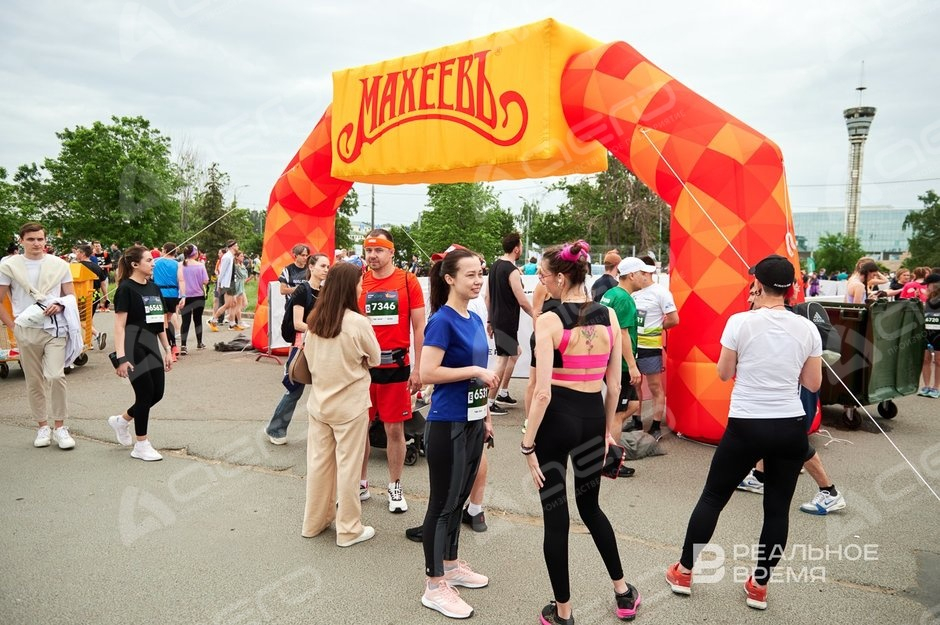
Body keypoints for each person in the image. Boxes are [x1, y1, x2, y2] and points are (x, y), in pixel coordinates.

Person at [666, 254, 822, 610]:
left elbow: (724, 373)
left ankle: (684, 572)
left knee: (713, 497)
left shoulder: (740, 322)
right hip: (790, 424)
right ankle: (759, 586)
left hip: (747, 422)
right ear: (790, 288)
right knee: (777, 510)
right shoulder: (807, 328)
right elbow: (812, 383)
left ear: (758, 285)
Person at [523, 240, 641, 625]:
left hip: (555, 420)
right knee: (591, 508)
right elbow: (615, 385)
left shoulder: (548, 320)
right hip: (591, 418)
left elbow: (541, 392)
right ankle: (623, 593)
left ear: (560, 277)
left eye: (544, 276)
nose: (541, 282)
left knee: (555, 516)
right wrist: (606, 431)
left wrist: (527, 444)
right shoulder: (609, 315)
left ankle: (564, 613)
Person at [418, 247, 497, 619]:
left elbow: (479, 378)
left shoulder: (474, 317)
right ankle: (434, 586)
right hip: (447, 421)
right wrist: (474, 371)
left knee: (460, 498)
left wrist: (486, 417)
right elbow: (428, 372)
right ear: (449, 278)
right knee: (442, 503)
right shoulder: (441, 320)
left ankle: (450, 565)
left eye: (480, 273)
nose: (478, 280)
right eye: (470, 274)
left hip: (473, 421)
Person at [736, 283, 847, 515]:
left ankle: (829, 492)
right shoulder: (780, 319)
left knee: (794, 441)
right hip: (790, 388)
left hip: (795, 389)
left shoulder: (784, 319)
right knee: (771, 432)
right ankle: (760, 477)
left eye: (753, 292)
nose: (750, 297)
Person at [300, 262, 380, 547]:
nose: (361, 288)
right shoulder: (357, 323)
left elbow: (309, 360)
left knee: (319, 465)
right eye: (359, 283)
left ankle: (314, 522)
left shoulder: (315, 319)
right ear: (349, 287)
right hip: (350, 406)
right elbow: (375, 358)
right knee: (349, 468)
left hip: (319, 403)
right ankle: (348, 529)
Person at [358, 229, 425, 512]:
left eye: (379, 250)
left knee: (394, 430)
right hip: (363, 368)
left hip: (396, 367)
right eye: (368, 250)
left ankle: (395, 486)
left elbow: (419, 327)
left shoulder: (408, 281)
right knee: (359, 428)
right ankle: (360, 483)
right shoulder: (359, 281)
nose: (372, 255)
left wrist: (419, 368)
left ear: (391, 252)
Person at [0, 222, 79, 449]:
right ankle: (42, 426)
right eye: (31, 239)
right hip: (26, 329)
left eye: (40, 239)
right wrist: (14, 327)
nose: (36, 243)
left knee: (56, 376)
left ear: (45, 240)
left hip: (55, 328)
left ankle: (60, 427)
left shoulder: (59, 265)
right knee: (34, 380)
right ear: (21, 240)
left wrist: (61, 305)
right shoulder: (9, 266)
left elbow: (71, 296)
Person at [107, 245, 174, 462]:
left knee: (157, 394)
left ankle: (122, 420)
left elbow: (160, 322)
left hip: (150, 344)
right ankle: (141, 444)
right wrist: (121, 358)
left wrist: (167, 349)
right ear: (135, 264)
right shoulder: (126, 289)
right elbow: (119, 326)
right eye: (148, 260)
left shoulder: (154, 287)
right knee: (144, 395)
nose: (153, 263)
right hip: (132, 345)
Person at [265, 253, 329, 444]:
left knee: (324, 391)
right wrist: (320, 329)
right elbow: (297, 323)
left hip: (320, 346)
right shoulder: (302, 290)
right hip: (302, 346)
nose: (326, 270)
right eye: (323, 266)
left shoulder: (325, 292)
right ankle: (275, 429)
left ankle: (323, 434)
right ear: (311, 267)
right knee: (294, 390)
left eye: (328, 267)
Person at [627, 255, 679, 438]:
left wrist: (656, 328)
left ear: (646, 272)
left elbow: (674, 319)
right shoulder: (633, 292)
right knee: (635, 384)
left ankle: (656, 426)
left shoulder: (661, 292)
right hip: (633, 346)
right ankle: (636, 421)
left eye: (637, 272)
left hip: (650, 347)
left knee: (655, 386)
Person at [484, 232, 533, 415]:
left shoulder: (495, 266)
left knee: (515, 353)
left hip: (499, 319)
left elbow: (488, 296)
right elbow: (522, 300)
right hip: (506, 321)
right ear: (516, 249)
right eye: (521, 245)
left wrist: (490, 320)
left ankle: (503, 393)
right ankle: (489, 402)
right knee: (502, 359)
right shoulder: (512, 271)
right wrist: (536, 316)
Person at [599, 257, 642, 450]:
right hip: (621, 363)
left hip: (610, 358)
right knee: (618, 412)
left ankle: (603, 439)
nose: (645, 277)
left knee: (632, 405)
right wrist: (632, 366)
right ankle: (611, 457)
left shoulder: (611, 293)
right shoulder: (624, 299)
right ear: (632, 275)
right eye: (643, 273)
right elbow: (623, 333)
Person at [73, 243, 109, 350]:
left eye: (77, 252)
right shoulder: (97, 267)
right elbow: (103, 284)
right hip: (95, 295)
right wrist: (106, 298)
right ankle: (88, 342)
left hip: (82, 296)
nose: (76, 254)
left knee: (81, 320)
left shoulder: (77, 267)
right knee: (89, 318)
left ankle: (97, 334)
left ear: (82, 254)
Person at [152, 242, 185, 359]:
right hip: (173, 294)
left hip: (159, 293)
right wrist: (183, 296)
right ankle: (173, 346)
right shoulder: (178, 264)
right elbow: (181, 280)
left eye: (162, 249)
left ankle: (172, 347)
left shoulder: (156, 262)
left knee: (164, 322)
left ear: (165, 250)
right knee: (169, 319)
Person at [179, 244, 209, 354]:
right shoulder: (200, 265)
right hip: (198, 295)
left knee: (185, 321)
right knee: (198, 319)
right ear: (195, 253)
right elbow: (205, 281)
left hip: (184, 296)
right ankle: (199, 342)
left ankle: (183, 345)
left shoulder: (180, 265)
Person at [917, 273, 940, 398]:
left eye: (927, 285)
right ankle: (926, 386)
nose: (926, 287)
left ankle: (936, 387)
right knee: (925, 359)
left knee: (938, 361)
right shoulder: (927, 299)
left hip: (938, 334)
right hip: (927, 332)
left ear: (935, 285)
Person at [209, 240, 238, 330]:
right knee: (227, 304)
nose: (238, 247)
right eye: (236, 245)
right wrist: (219, 285)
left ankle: (232, 323)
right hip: (227, 284)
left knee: (234, 303)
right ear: (232, 247)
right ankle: (214, 319)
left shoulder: (231, 256)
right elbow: (222, 272)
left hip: (232, 282)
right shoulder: (227, 257)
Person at [231, 250, 249, 329]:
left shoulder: (241, 265)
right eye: (241, 256)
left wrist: (243, 269)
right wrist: (243, 269)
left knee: (243, 304)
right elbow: (243, 275)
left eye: (243, 256)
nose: (243, 257)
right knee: (238, 305)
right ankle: (235, 320)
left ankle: (235, 319)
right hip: (237, 286)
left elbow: (246, 275)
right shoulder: (236, 266)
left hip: (241, 286)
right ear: (237, 257)